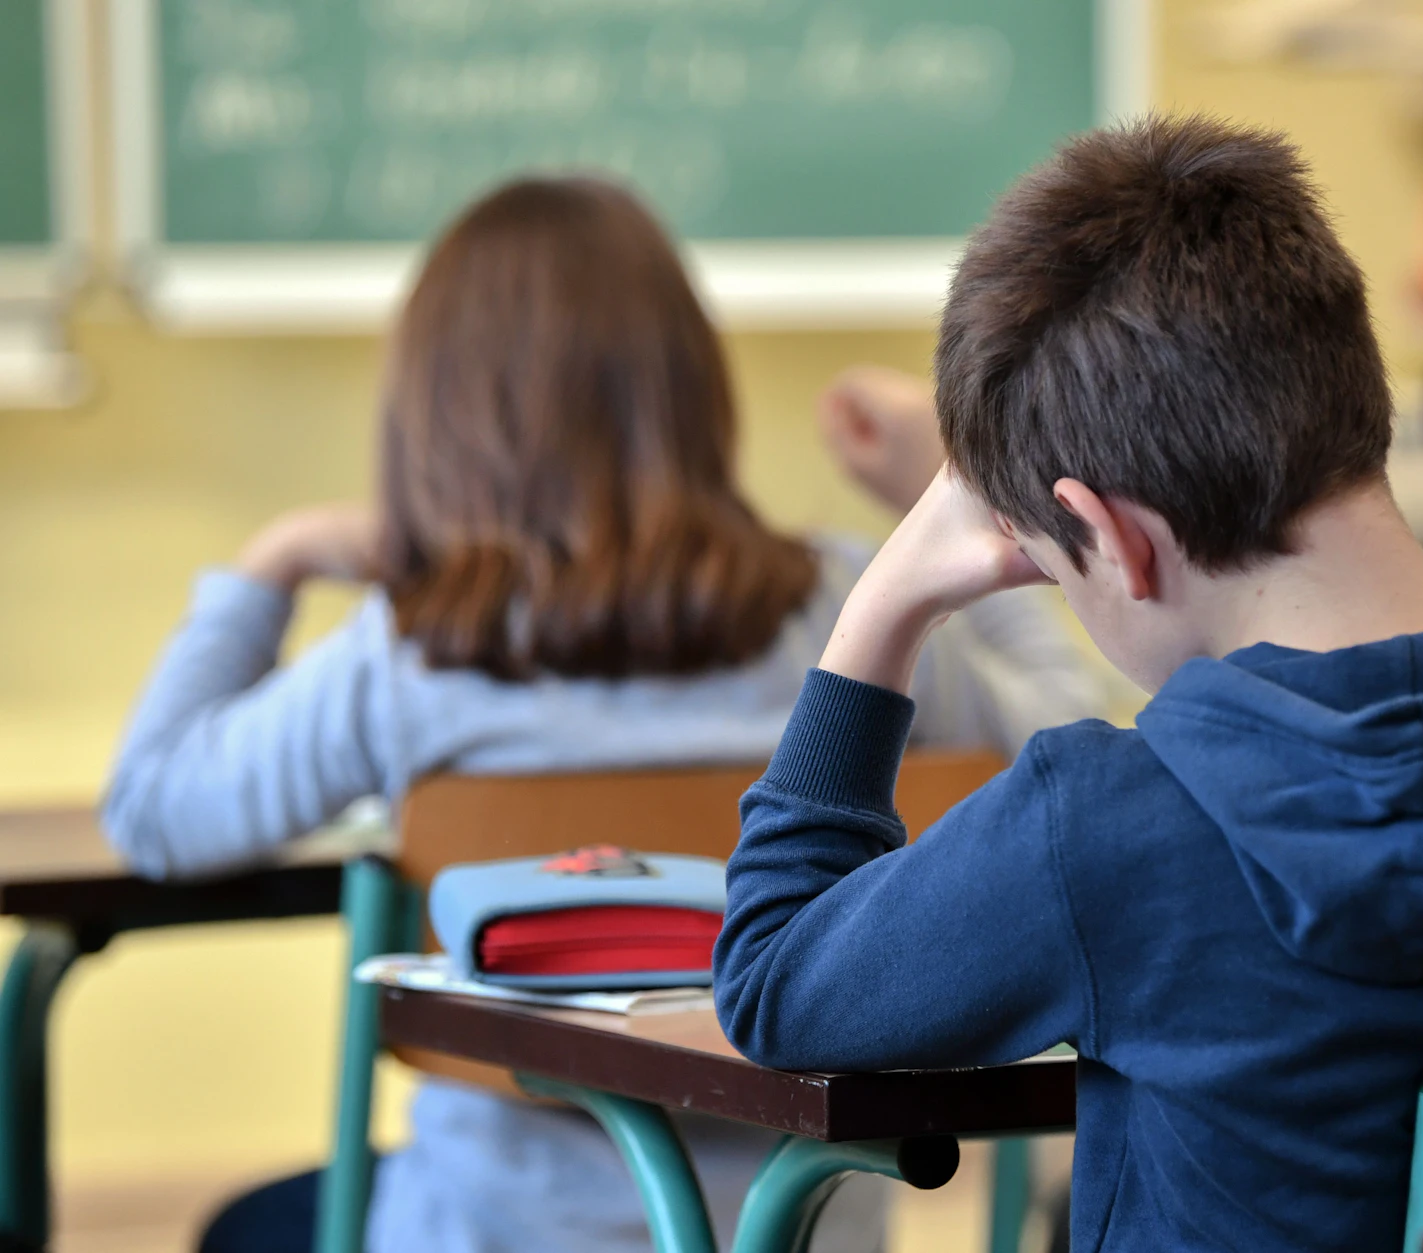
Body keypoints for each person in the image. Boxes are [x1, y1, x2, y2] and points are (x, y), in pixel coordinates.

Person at [711, 117, 1423, 1253]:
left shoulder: (1102, 825)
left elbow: (770, 980)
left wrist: (885, 601)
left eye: (1056, 569)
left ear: (1116, 540)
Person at [101, 178, 1103, 1253]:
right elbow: (1063, 737)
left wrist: (275, 562)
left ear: (434, 412)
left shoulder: (411, 653)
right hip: (798, 1230)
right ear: (690, 387)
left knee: (249, 1226)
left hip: (489, 1233)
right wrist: (941, 498)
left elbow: (153, 809)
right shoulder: (850, 615)